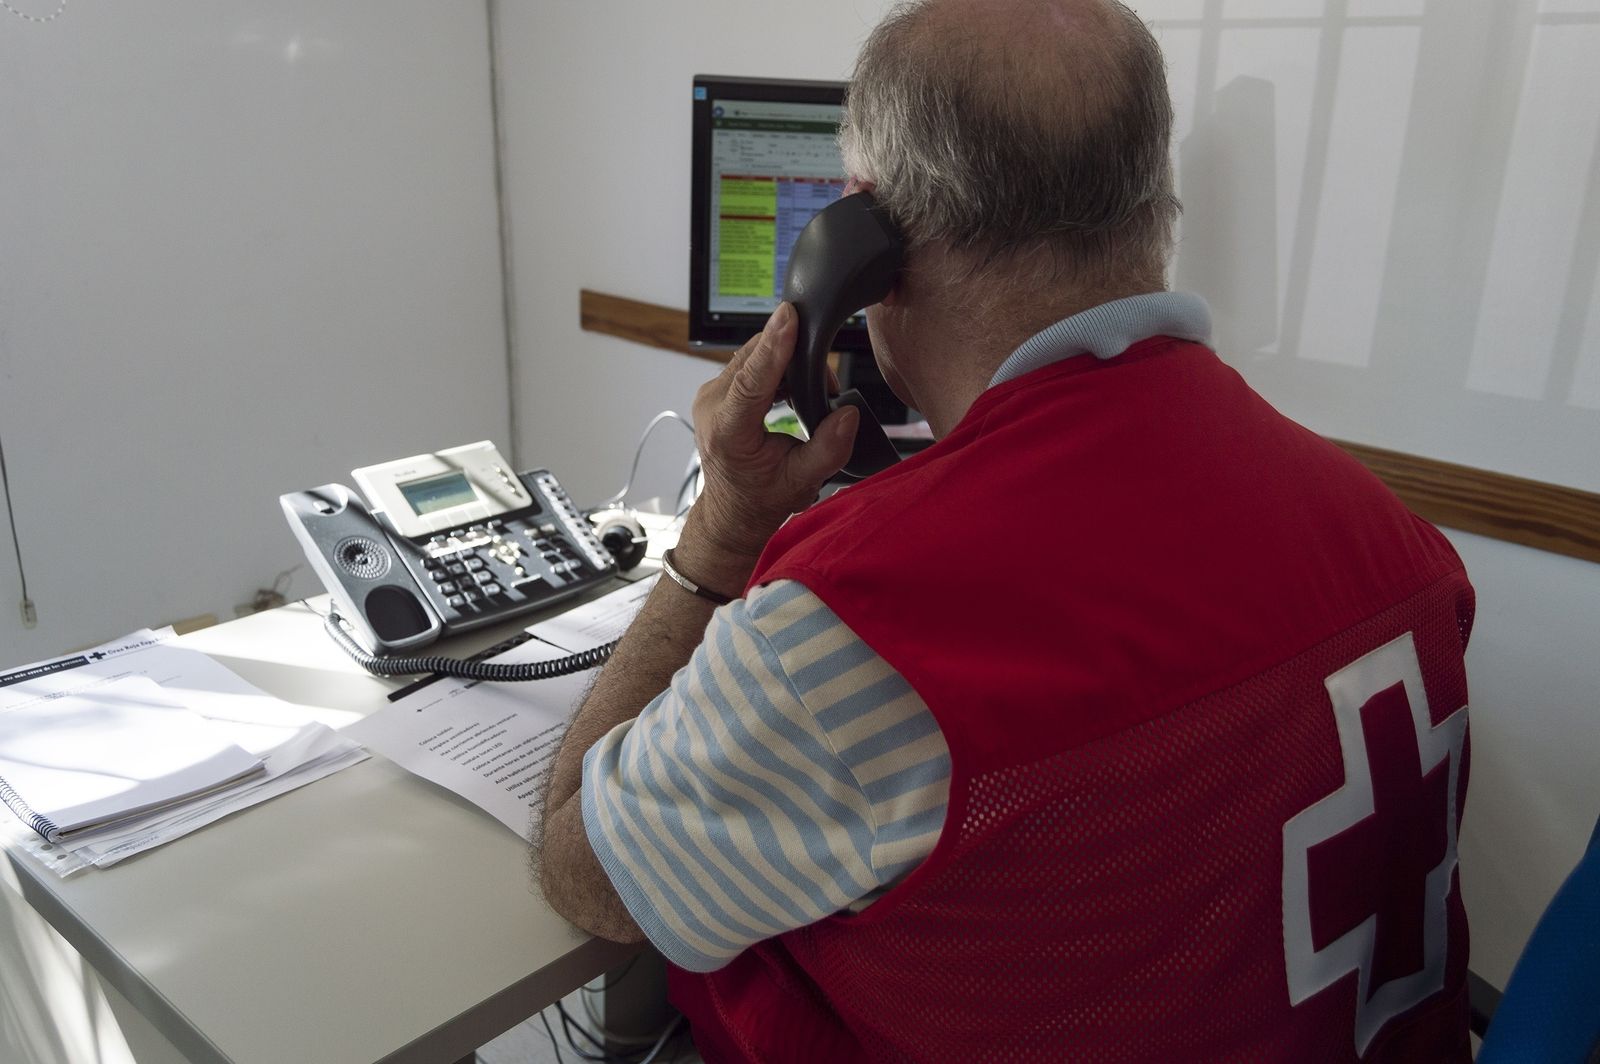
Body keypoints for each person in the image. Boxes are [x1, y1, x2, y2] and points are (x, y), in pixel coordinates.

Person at [536, 0, 1476, 1060]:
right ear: (1149, 200)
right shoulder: (1399, 544)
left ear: (863, 243)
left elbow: (586, 873)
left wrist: (720, 534)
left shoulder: (853, 628)